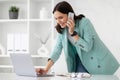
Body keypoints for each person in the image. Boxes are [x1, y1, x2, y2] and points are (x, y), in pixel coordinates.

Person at [36, 1, 119, 75]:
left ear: (70, 15)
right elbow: (56, 51)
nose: (58, 21)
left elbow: (87, 47)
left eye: (60, 17)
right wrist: (46, 69)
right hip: (78, 62)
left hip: (96, 61)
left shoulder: (85, 23)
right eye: (56, 18)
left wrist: (73, 33)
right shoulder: (62, 30)